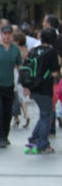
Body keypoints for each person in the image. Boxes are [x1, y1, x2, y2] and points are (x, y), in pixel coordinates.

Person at [23, 26, 60, 155]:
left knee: (44, 113)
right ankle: (42, 143)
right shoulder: (51, 52)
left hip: (34, 87)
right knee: (47, 115)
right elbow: (55, 73)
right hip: (45, 87)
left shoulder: (34, 50)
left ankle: (34, 137)